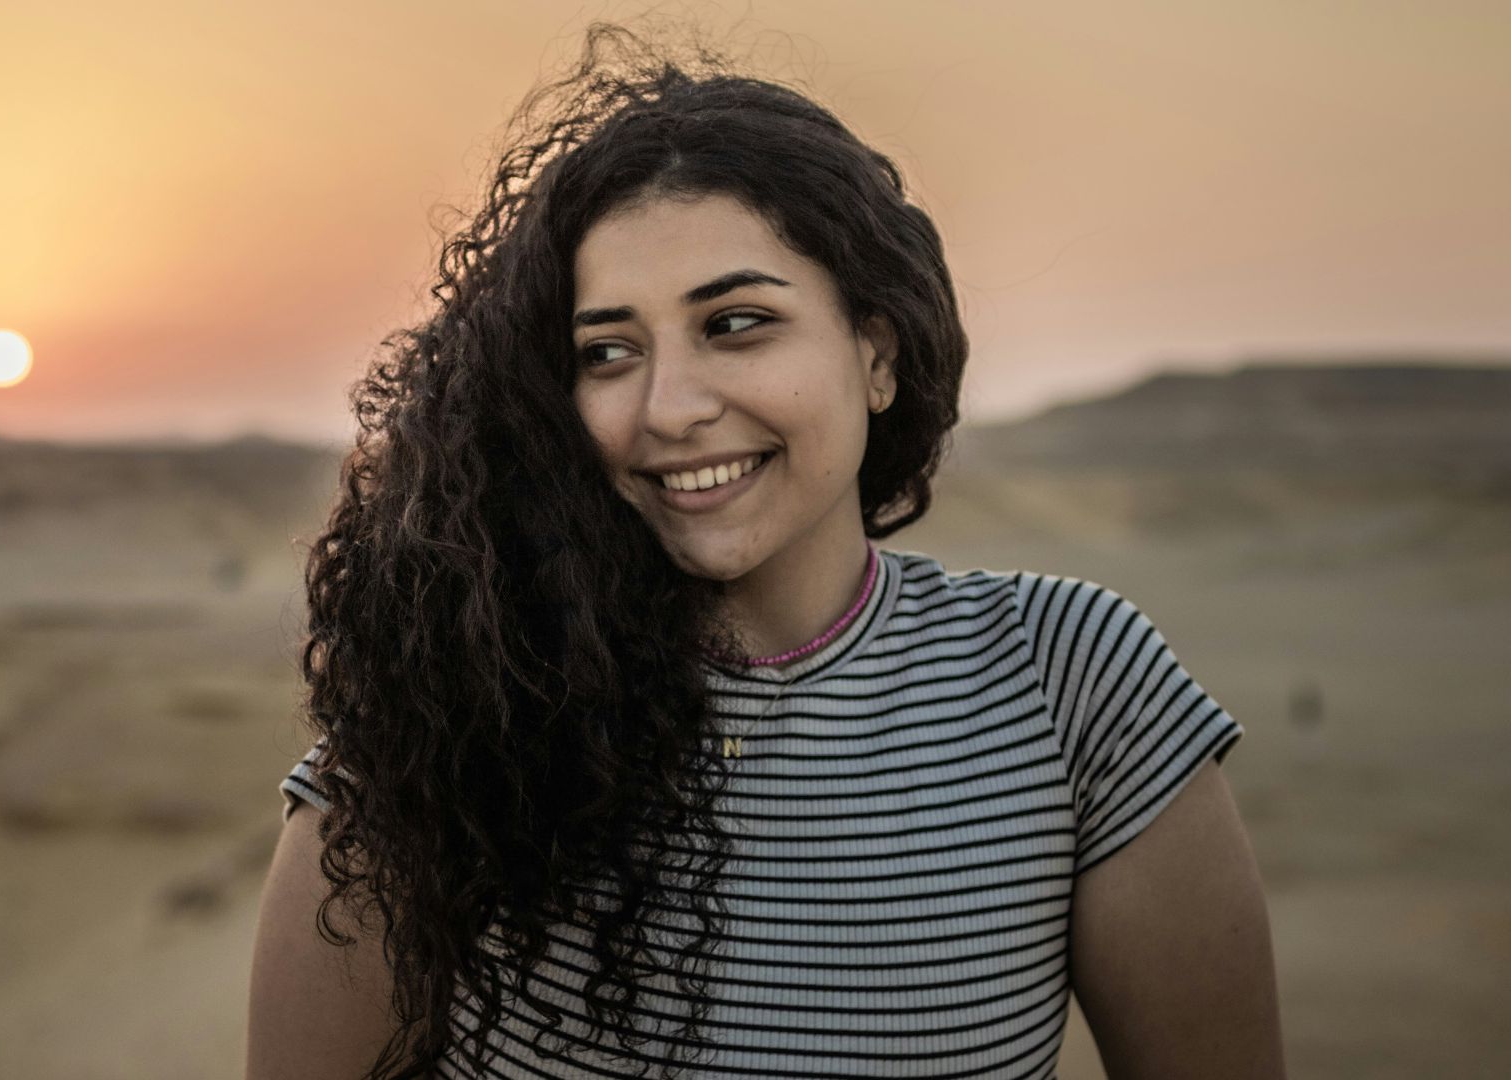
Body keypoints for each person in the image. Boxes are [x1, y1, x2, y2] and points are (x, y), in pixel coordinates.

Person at [247, 23, 1285, 1080]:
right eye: (607, 351)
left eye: (737, 323)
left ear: (874, 353)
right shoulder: (452, 707)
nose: (673, 407)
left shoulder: (1072, 685)